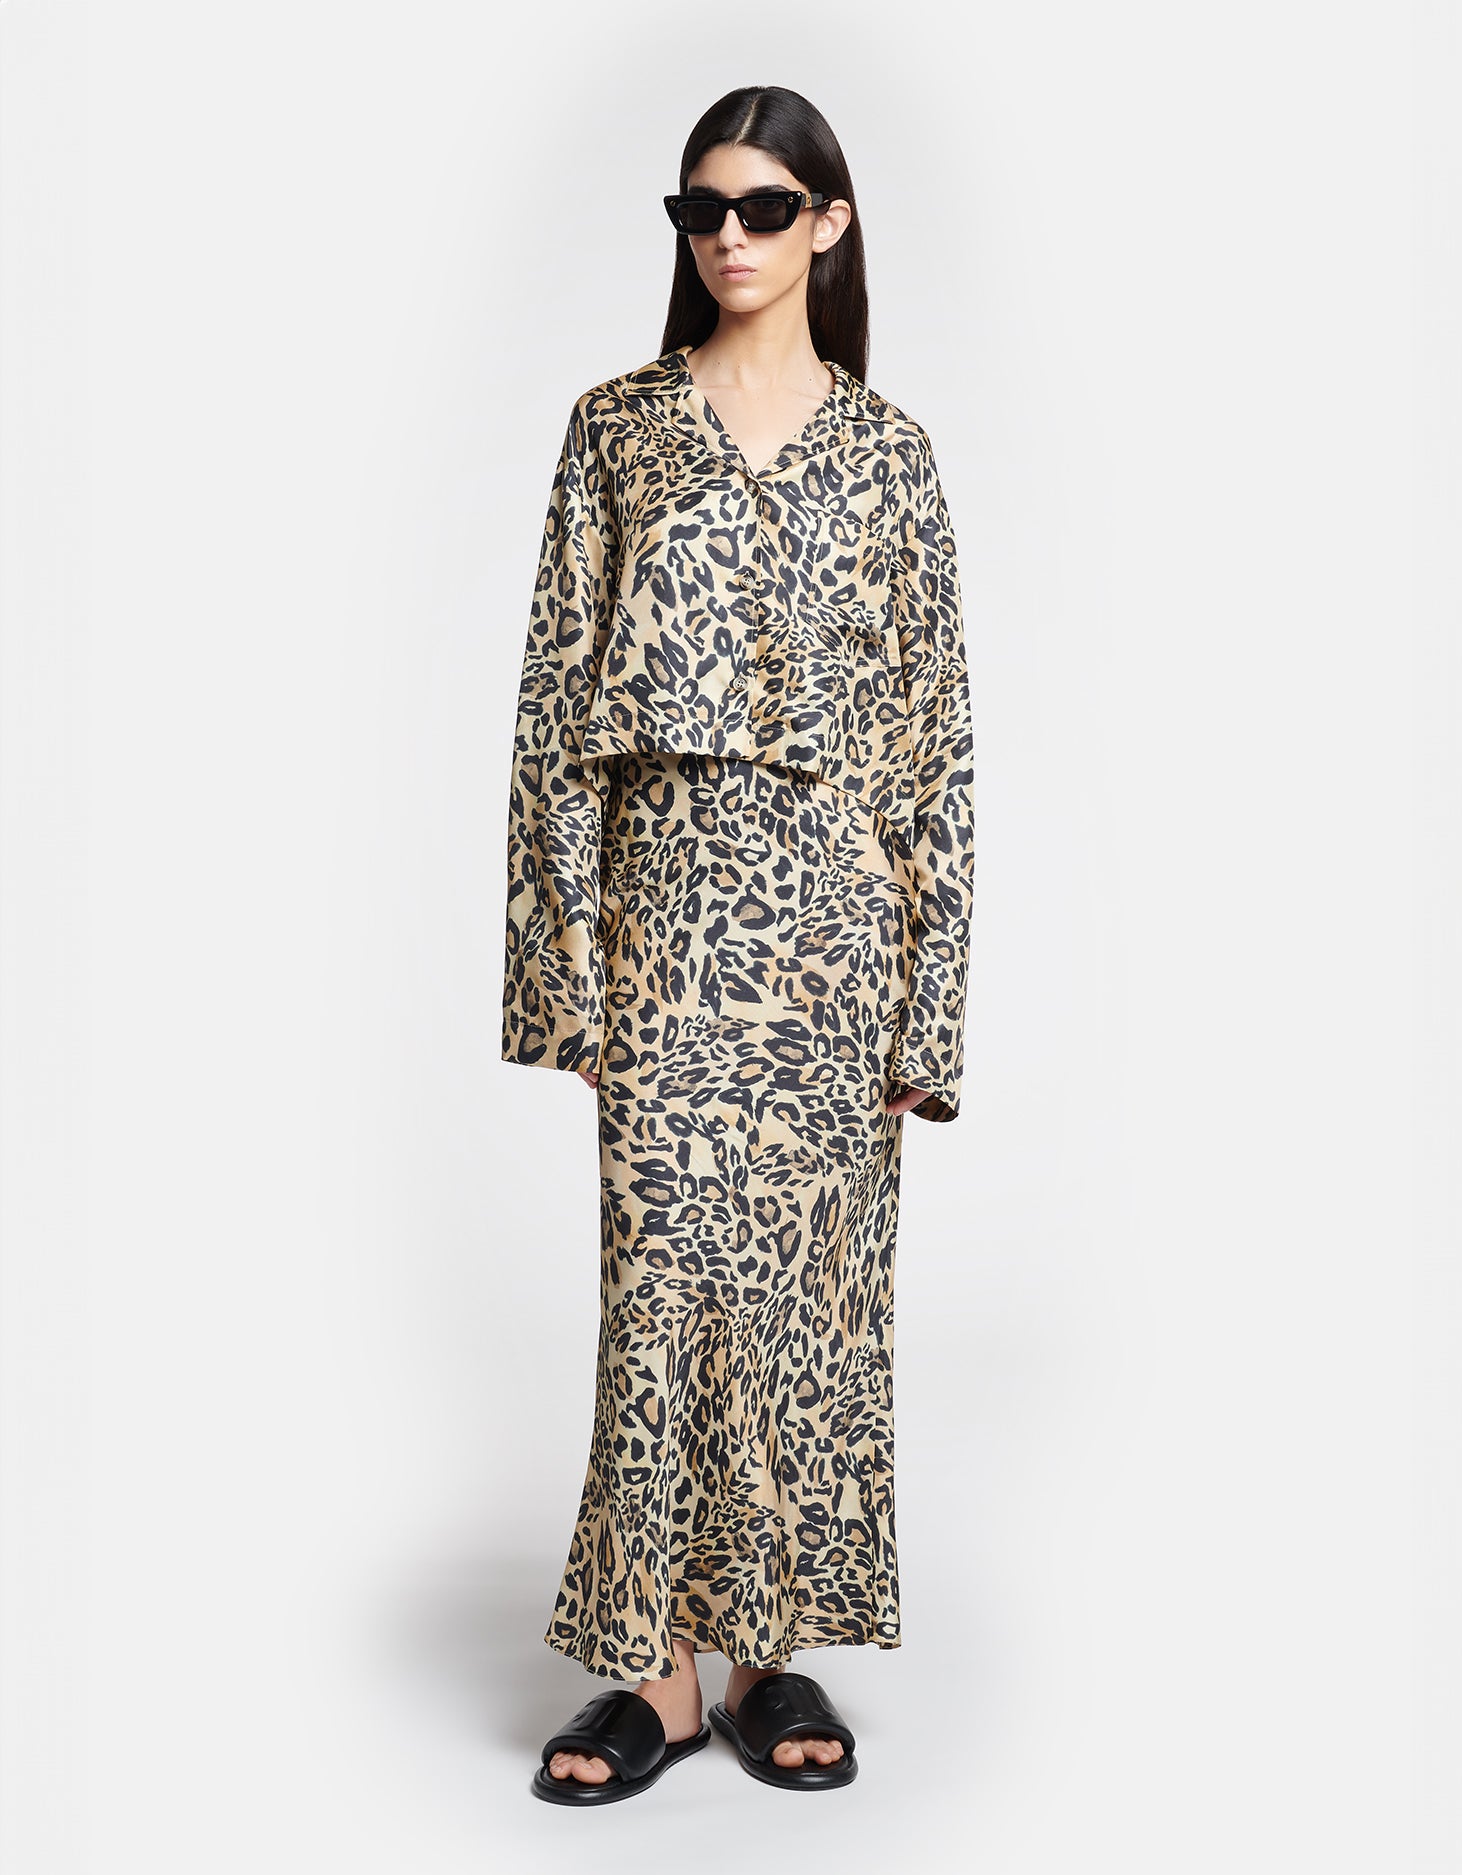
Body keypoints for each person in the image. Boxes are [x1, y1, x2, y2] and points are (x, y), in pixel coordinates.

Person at [502, 84, 976, 1805]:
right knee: (665, 1286)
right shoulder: (617, 430)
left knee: (807, 1303)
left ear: (828, 224)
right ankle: (656, 1669)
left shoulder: (893, 454)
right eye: (701, 207)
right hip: (666, 917)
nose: (728, 235)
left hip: (838, 940)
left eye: (766, 207)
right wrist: (560, 968)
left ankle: (770, 1653)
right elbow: (555, 710)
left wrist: (929, 1008)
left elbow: (935, 743)